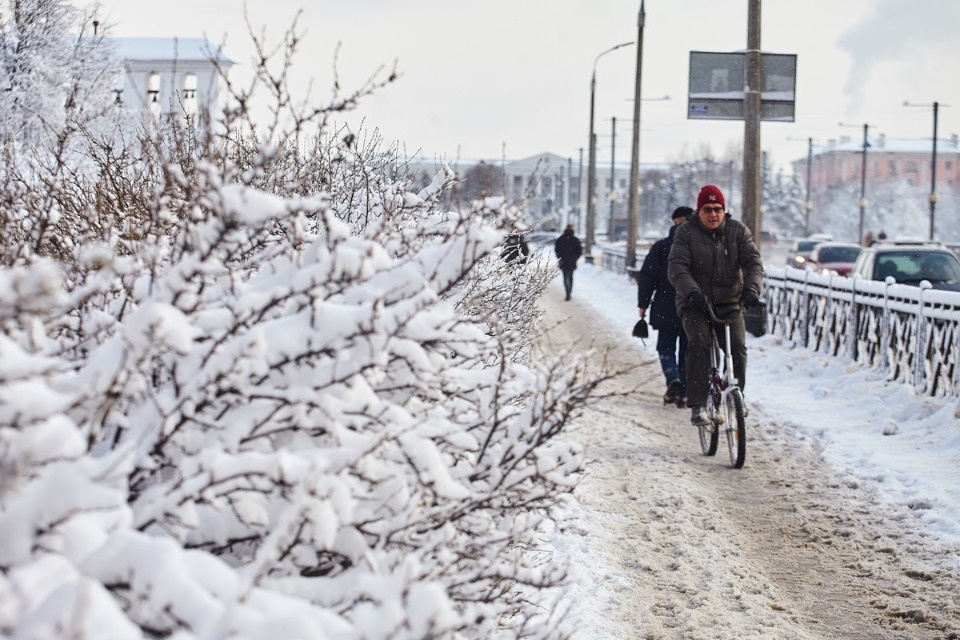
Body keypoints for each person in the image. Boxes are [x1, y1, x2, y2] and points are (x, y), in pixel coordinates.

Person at [667, 185, 764, 427]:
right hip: (695, 303)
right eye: (708, 209)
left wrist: (752, 289)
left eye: (718, 209)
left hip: (730, 301)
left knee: (738, 348)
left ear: (724, 210)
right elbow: (677, 268)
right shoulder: (685, 233)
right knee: (698, 344)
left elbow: (753, 263)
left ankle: (736, 394)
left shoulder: (737, 232)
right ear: (699, 211)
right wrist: (692, 293)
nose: (713, 214)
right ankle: (698, 404)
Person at [638, 206, 692, 407]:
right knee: (687, 351)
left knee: (665, 348)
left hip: (665, 306)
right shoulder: (697, 245)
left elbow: (647, 277)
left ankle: (673, 378)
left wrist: (643, 304)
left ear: (674, 222)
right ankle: (684, 393)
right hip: (691, 307)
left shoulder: (661, 247)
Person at [555, 224, 583, 300]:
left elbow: (557, 250)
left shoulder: (561, 239)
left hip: (563, 260)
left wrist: (560, 257)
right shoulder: (575, 239)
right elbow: (579, 251)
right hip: (572, 261)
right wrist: (575, 258)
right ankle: (569, 292)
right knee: (570, 276)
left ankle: (567, 292)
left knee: (565, 276)